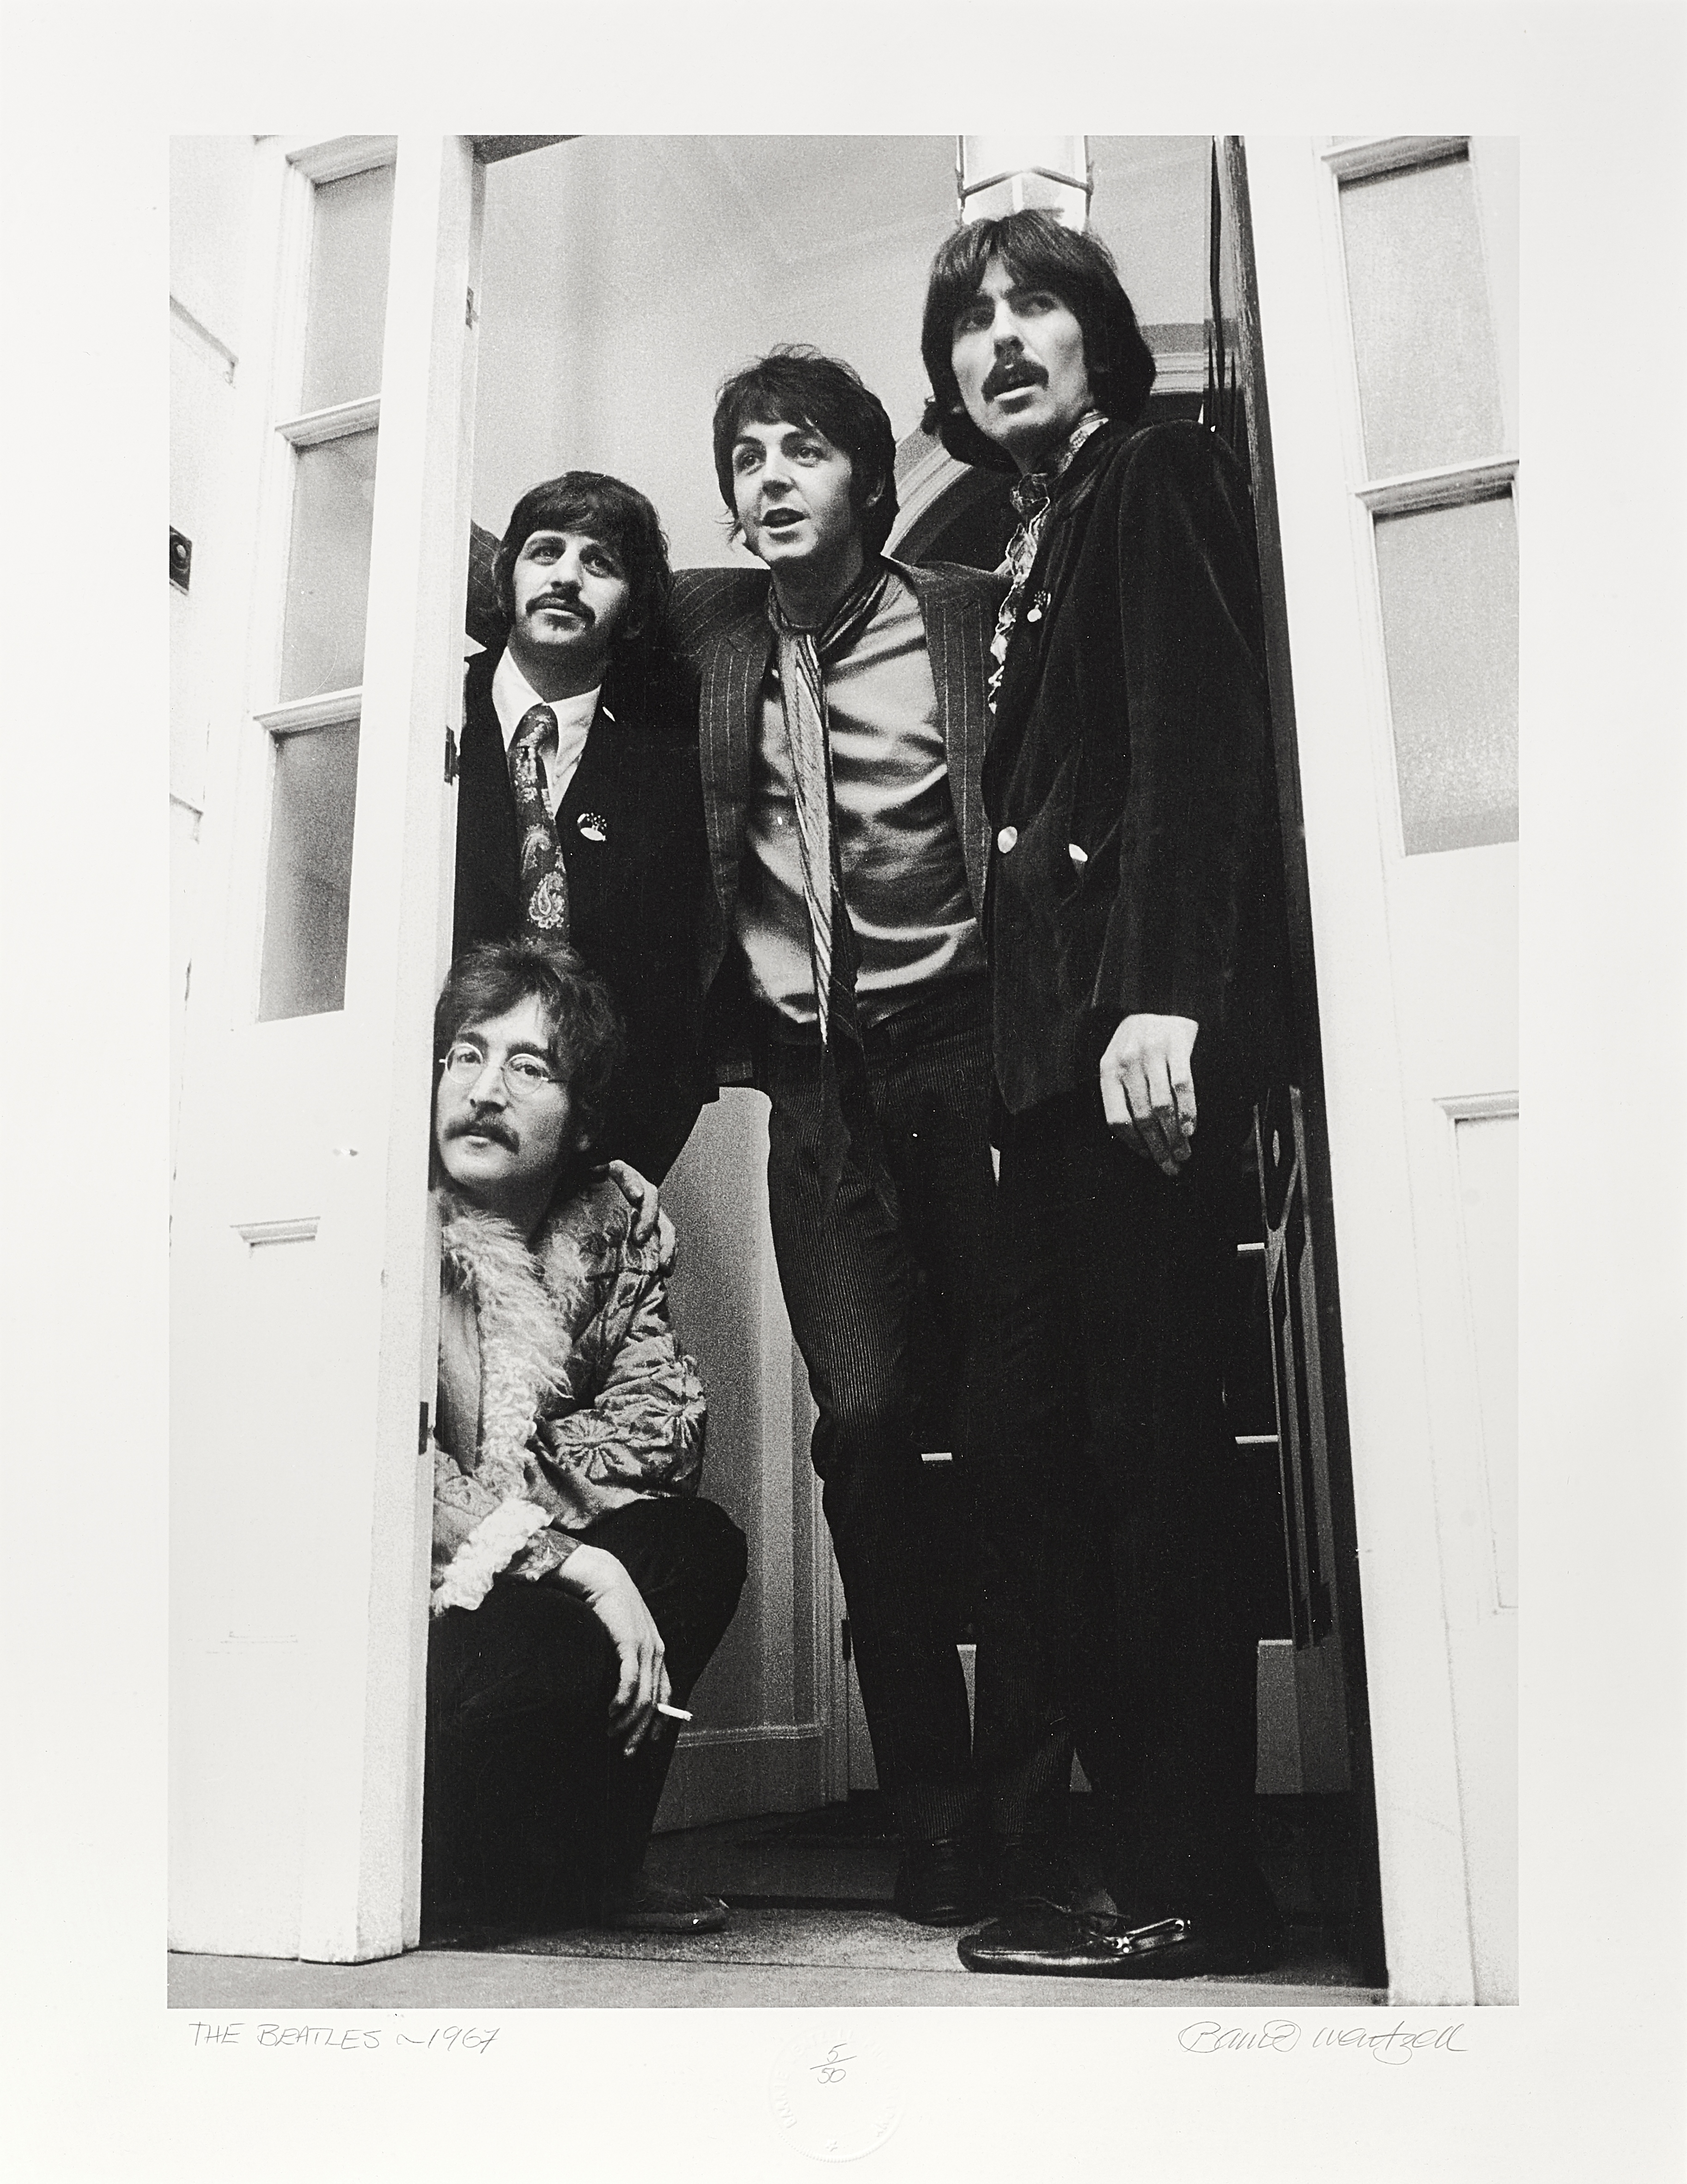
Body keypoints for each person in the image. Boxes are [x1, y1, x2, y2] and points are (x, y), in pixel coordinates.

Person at [920, 209, 1292, 1977]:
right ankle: (1134, 1840)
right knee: (1018, 1439)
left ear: (1096, 337)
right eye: (972, 322)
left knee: (1150, 1458)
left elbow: (1198, 742)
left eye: (1033, 307)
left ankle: (1183, 1873)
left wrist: (1170, 996)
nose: (1001, 340)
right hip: (1050, 1077)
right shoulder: (1036, 528)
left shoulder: (1151, 475)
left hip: (1135, 1050)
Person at [668, 348, 1007, 1924]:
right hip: (817, 1094)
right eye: (748, 457)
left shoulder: (959, 608)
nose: (773, 477)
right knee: (866, 1424)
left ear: (869, 479)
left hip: (977, 1061)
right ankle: (935, 1801)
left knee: (1027, 1428)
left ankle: (1032, 1792)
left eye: (805, 450)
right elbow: (532, 560)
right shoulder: (716, 638)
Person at [423, 936, 746, 1939]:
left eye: (529, 1066)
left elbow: (662, 1424)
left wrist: (533, 1523)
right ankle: (465, 1879)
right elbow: (391, 1480)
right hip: (418, 1610)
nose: (485, 1088)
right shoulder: (388, 1234)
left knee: (693, 1544)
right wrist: (581, 1567)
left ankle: (596, 1869)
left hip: (512, 1565)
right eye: (465, 1055)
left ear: (580, 1123)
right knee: (550, 1623)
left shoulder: (610, 1231)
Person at [453, 470, 710, 1183]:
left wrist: (613, 1177)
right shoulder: (426, 709)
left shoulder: (671, 774)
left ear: (632, 610)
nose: (567, 577)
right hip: (409, 1154)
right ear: (505, 579)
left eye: (600, 563)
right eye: (546, 552)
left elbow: (673, 1017)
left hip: (588, 1174)